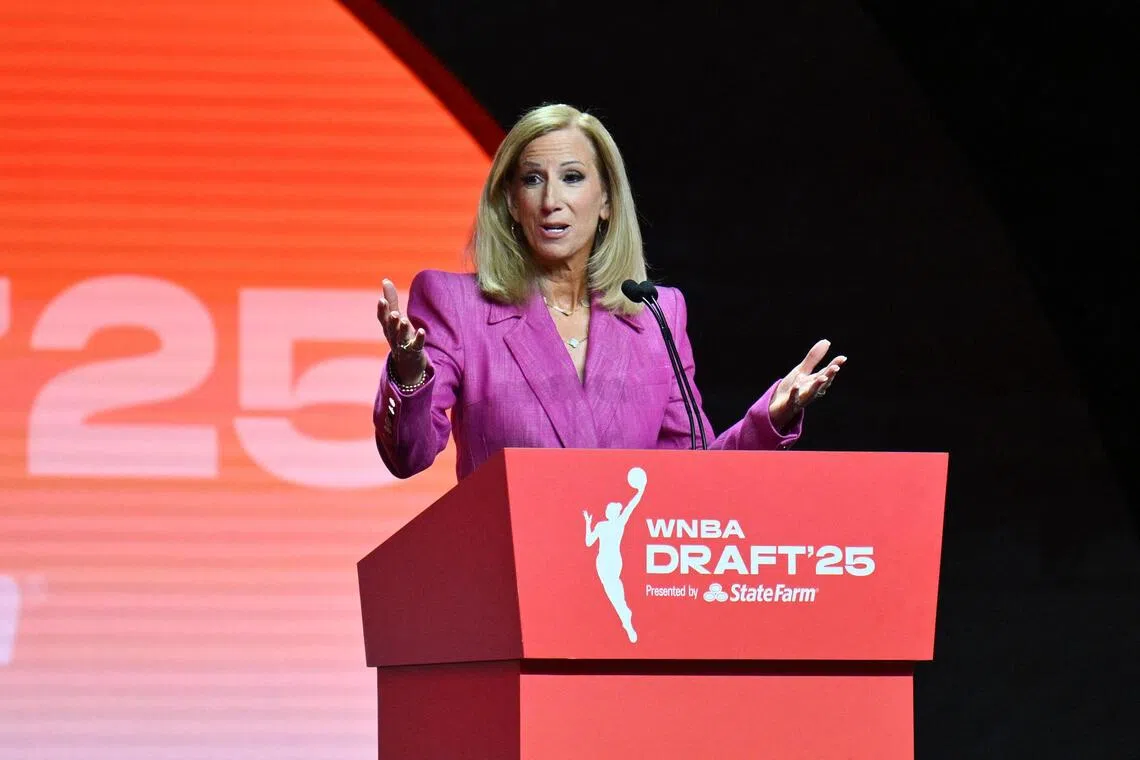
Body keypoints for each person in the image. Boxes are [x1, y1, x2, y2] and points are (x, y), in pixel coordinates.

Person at [374, 103, 845, 481]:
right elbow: (408, 457)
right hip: (507, 576)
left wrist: (773, 415)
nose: (550, 199)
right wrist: (411, 372)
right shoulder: (456, 305)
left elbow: (696, 470)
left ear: (605, 201)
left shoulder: (656, 314)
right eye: (532, 179)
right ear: (511, 204)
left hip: (622, 579)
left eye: (572, 177)